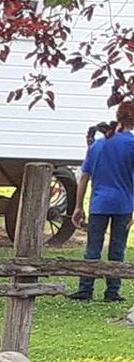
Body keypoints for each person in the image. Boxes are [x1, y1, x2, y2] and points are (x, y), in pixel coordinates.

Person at [73, 100, 134, 302]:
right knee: (117, 248)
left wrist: (78, 206)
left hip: (99, 203)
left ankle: (85, 289)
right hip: (123, 204)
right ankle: (112, 291)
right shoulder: (131, 145)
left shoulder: (97, 145)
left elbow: (84, 177)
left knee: (92, 248)